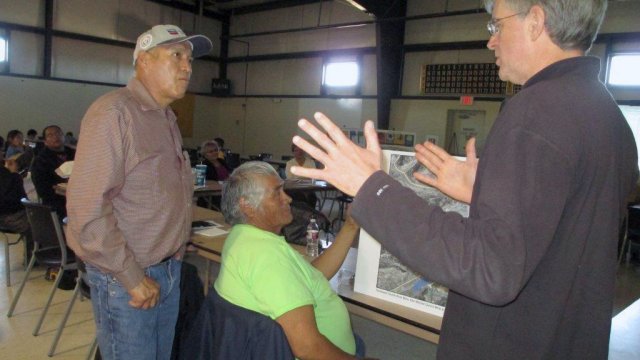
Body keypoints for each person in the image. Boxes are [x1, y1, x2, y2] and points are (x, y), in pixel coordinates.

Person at [290, 0, 639, 359]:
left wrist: (372, 188)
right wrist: (486, 192)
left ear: (536, 21)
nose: (491, 41)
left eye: (496, 26)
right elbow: (566, 228)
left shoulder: (534, 112)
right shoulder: (607, 116)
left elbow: (490, 269)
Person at [66, 24, 212, 360]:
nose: (187, 67)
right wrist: (132, 277)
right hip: (128, 277)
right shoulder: (114, 114)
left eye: (189, 59)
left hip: (168, 269)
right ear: (144, 61)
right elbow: (87, 210)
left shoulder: (165, 118)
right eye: (177, 56)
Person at [215, 161, 366, 359]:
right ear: (247, 206)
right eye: (277, 193)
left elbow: (314, 276)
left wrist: (351, 226)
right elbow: (307, 347)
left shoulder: (246, 238)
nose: (287, 198)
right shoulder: (267, 257)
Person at [30, 125, 75, 217]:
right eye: (50, 135)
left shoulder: (75, 154)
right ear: (45, 141)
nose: (55, 136)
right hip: (58, 203)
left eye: (58, 133)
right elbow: (42, 189)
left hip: (80, 197)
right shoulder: (41, 160)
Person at [0, 157, 33, 263]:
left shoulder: (4, 171)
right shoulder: (5, 173)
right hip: (7, 215)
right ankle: (33, 257)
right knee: (40, 222)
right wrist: (14, 174)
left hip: (9, 212)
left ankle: (34, 254)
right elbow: (14, 198)